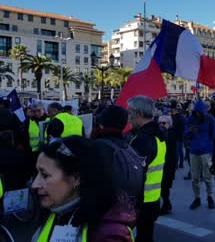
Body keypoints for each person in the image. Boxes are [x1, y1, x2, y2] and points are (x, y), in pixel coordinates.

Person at [31, 137, 136, 241]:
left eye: (45, 175)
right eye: (37, 174)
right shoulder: (56, 211)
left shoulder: (110, 233)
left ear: (76, 178)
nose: (35, 185)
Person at [128, 96, 166, 242]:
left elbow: (132, 174)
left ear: (139, 113)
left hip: (141, 201)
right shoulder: (158, 135)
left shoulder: (142, 140)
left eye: (130, 112)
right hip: (153, 198)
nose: (128, 116)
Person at [185, 100, 215, 210]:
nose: (198, 114)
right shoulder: (191, 118)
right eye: (196, 112)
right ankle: (197, 197)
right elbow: (185, 133)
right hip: (194, 151)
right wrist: (190, 130)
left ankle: (210, 197)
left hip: (206, 151)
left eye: (200, 112)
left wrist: (212, 150)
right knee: (195, 177)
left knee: (207, 177)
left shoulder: (210, 119)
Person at [158, 115, 177, 215]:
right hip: (160, 164)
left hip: (168, 165)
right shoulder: (159, 134)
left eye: (164, 123)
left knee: (165, 187)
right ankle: (167, 204)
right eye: (160, 123)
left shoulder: (171, 135)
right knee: (162, 187)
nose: (161, 125)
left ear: (169, 124)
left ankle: (166, 205)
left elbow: (172, 154)